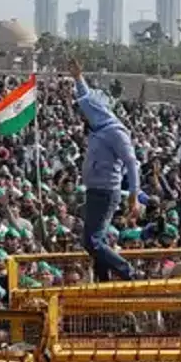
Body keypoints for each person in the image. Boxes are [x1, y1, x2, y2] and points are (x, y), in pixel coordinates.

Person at [70, 58, 138, 282]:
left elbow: (131, 163)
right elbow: (87, 100)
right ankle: (104, 279)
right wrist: (78, 77)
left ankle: (128, 272)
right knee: (91, 240)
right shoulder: (99, 127)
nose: (82, 116)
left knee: (93, 241)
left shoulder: (115, 132)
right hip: (94, 189)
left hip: (106, 191)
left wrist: (134, 196)